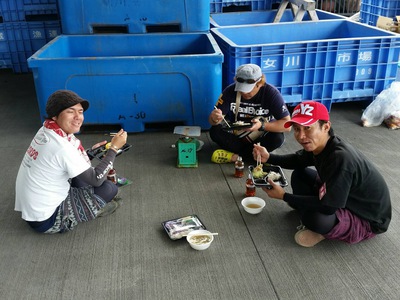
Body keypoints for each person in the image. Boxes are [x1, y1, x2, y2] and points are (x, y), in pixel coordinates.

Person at [253, 101, 392, 247]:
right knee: (299, 174)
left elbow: (329, 207)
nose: (301, 136)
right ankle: (306, 209)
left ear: (326, 127)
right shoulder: (322, 145)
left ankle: (320, 229)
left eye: (307, 128)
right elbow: (297, 161)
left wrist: (284, 196)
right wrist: (269, 157)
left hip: (367, 218)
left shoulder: (340, 158)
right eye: (296, 129)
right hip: (342, 197)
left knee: (316, 218)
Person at [15, 90, 128, 234]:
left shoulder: (46, 130)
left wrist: (88, 153)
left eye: (80, 112)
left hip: (35, 209)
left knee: (83, 178)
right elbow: (96, 179)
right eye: (70, 112)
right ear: (55, 115)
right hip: (47, 220)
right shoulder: (61, 147)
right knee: (109, 188)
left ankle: (88, 202)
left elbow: (62, 159)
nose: (78, 117)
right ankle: (90, 212)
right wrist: (113, 149)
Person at [208, 63, 291, 163]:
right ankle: (251, 156)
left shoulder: (271, 94)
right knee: (214, 131)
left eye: (248, 89)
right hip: (238, 135)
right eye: (241, 88)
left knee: (277, 138)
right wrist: (214, 118)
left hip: (260, 136)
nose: (244, 93)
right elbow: (214, 121)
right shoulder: (230, 91)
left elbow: (287, 125)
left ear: (259, 83)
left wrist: (262, 125)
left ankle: (237, 157)